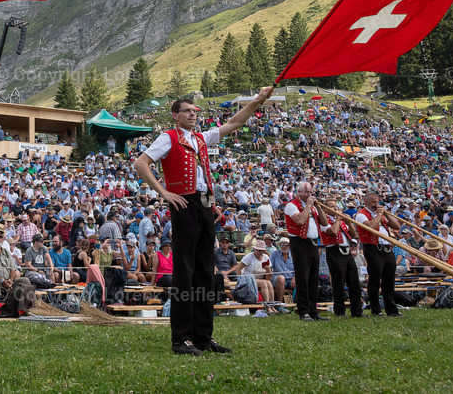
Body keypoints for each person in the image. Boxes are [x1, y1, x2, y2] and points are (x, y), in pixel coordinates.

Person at [132, 87, 272, 356]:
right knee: (184, 270)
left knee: (205, 271)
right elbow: (141, 163)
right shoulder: (168, 137)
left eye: (195, 110)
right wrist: (163, 192)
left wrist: (258, 100)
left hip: (206, 204)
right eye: (187, 110)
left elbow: (235, 122)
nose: (193, 114)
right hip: (183, 202)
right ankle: (181, 339)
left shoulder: (201, 138)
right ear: (175, 115)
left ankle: (203, 336)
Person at [284, 181, 329, 321]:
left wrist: (318, 207)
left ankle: (313, 310)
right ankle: (303, 311)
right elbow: (299, 221)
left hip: (313, 243)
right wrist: (309, 205)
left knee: (314, 279)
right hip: (300, 243)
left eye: (311, 192)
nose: (310, 195)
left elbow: (325, 223)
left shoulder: (313, 207)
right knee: (303, 277)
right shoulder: (292, 205)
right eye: (307, 192)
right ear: (299, 192)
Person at [355, 192, 401, 317]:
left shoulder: (380, 214)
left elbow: (397, 226)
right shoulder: (361, 215)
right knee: (375, 280)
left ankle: (392, 310)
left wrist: (385, 214)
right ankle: (376, 310)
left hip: (386, 249)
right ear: (366, 202)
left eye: (377, 202)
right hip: (373, 248)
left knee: (389, 280)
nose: (376, 204)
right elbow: (370, 226)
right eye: (374, 202)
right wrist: (380, 215)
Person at [320, 198, 363, 318]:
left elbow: (354, 235)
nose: (335, 209)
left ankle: (357, 311)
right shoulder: (325, 221)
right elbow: (333, 231)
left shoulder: (342, 221)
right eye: (332, 207)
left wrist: (348, 222)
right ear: (325, 209)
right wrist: (338, 218)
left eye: (336, 206)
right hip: (334, 251)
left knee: (354, 282)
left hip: (346, 251)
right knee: (338, 283)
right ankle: (340, 311)